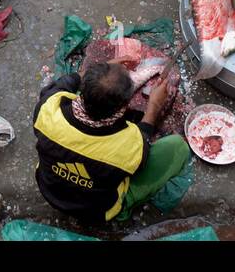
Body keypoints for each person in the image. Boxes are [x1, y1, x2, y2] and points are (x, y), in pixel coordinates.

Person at [33, 61, 190, 223]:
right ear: (124, 107)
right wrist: (154, 107)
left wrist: (98, 75)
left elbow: (64, 83)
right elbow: (144, 136)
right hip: (98, 211)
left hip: (50, 191)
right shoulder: (129, 144)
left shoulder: (48, 108)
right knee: (177, 147)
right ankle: (123, 208)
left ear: (83, 90)